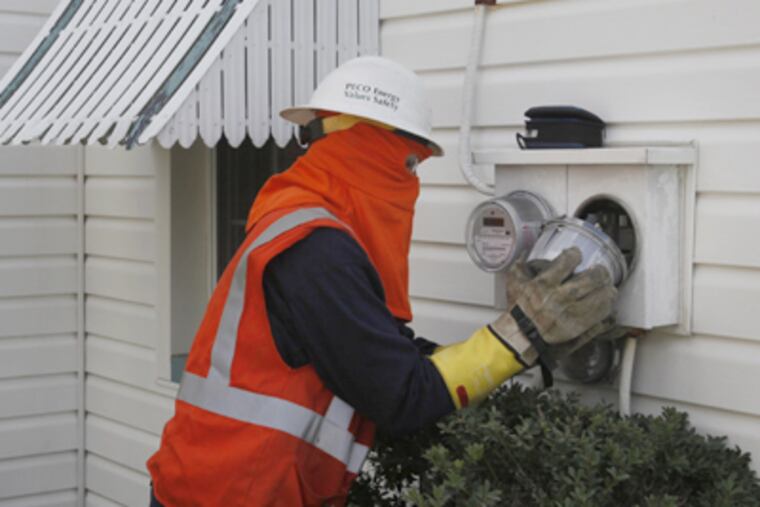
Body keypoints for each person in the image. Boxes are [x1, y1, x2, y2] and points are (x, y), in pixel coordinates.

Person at [146, 56, 617, 507]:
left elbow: (382, 350)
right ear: (374, 150)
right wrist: (521, 334)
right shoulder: (317, 250)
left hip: (224, 487)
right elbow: (401, 395)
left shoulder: (304, 220)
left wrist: (513, 340)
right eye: (410, 164)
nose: (412, 183)